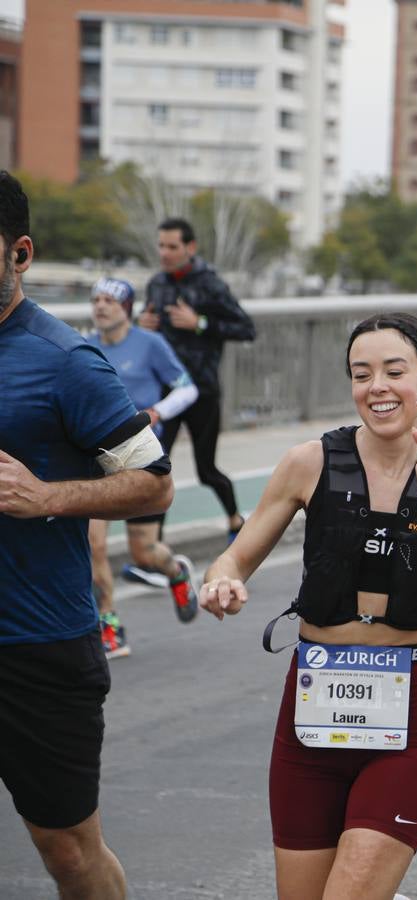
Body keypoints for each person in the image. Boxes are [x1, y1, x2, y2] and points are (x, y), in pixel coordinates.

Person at [198, 312, 417, 898]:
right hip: (311, 715)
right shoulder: (308, 462)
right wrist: (221, 582)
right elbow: (233, 558)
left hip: (406, 716)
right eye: (362, 374)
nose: (377, 386)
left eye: (394, 371)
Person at [0, 170, 174, 900]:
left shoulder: (65, 361)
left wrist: (47, 497)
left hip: (37, 646)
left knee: (69, 853)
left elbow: (155, 480)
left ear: (21, 253)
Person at [85, 278, 202, 658]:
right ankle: (110, 626)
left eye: (109, 300)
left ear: (127, 307)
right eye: (96, 300)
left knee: (144, 552)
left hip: (139, 458)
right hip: (96, 458)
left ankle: (176, 572)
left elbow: (188, 388)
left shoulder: (150, 344)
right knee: (93, 543)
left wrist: (157, 412)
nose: (101, 306)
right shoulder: (84, 347)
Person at [138, 217, 256, 539]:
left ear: (190, 248)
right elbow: (148, 329)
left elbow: (247, 328)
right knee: (156, 467)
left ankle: (235, 521)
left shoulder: (210, 283)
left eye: (172, 247)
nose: (165, 253)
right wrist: (143, 325)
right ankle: (153, 545)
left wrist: (199, 323)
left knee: (206, 470)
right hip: (168, 394)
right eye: (161, 246)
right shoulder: (156, 284)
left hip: (202, 390)